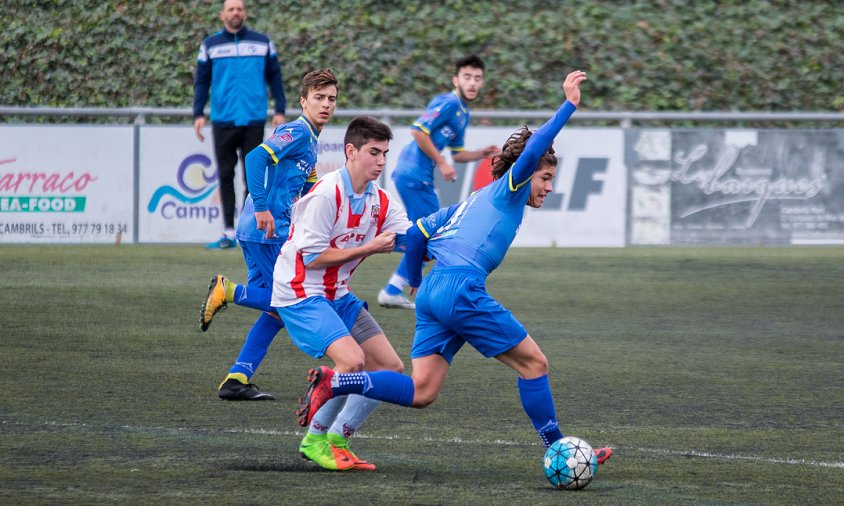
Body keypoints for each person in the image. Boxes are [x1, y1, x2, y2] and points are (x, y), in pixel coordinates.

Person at [295, 70, 613, 467]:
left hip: (432, 293)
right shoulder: (510, 187)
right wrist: (568, 106)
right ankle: (559, 450)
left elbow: (417, 233)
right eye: (545, 178)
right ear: (527, 172)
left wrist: (412, 278)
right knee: (535, 364)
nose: (548, 187)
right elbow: (536, 149)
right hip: (461, 289)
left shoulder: (473, 200)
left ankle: (337, 381)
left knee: (422, 391)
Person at [205, 117, 412, 471]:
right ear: (350, 151)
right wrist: (370, 248)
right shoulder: (327, 193)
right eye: (373, 152)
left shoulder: (380, 199)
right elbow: (313, 259)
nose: (380, 161)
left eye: (385, 153)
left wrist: (450, 235)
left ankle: (337, 438)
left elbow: (409, 238)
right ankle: (315, 439)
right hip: (300, 291)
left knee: (391, 369)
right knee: (351, 363)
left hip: (339, 294)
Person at [199, 68, 338, 401]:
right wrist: (262, 206)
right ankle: (228, 290)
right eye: (318, 98)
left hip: (261, 230)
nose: (326, 104)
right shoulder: (298, 132)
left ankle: (236, 378)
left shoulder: (310, 140)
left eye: (331, 99)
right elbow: (255, 156)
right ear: (303, 101)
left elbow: (308, 189)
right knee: (290, 298)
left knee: (274, 311)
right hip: (268, 229)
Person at [377, 54, 501, 309]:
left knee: (429, 236)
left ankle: (392, 288)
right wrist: (441, 162)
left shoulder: (463, 113)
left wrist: (482, 154)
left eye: (477, 78)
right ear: (456, 80)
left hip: (417, 175)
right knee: (432, 236)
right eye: (467, 77)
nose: (472, 83)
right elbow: (418, 131)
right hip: (413, 172)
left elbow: (457, 154)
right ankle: (375, 246)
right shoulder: (448, 101)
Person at [193, 0, 287, 250]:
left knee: (252, 176)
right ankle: (228, 232)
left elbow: (275, 77)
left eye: (239, 9)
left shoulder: (262, 42)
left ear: (245, 13)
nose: (236, 12)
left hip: (254, 119)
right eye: (231, 9)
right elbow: (201, 81)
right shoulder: (210, 45)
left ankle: (248, 231)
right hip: (223, 120)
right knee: (225, 175)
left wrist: (279, 109)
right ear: (222, 14)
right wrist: (198, 113)